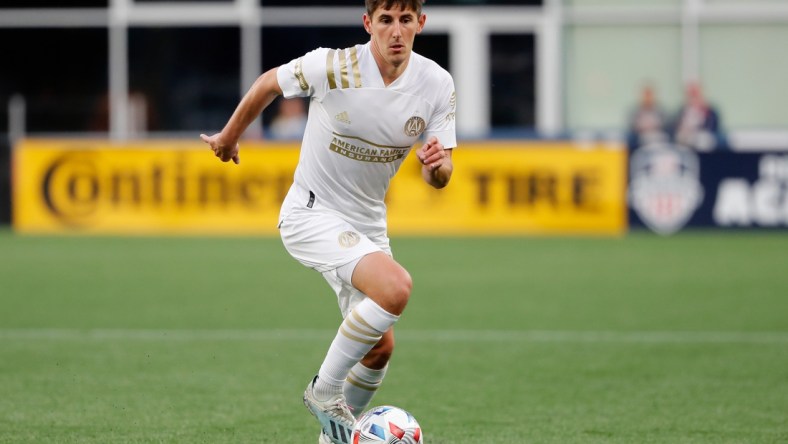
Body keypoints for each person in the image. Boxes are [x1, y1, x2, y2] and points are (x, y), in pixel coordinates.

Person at [200, 1, 456, 443]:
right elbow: (268, 84)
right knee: (395, 288)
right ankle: (324, 390)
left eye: (406, 20)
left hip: (368, 224)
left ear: (421, 23)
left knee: (379, 349)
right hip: (310, 212)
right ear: (368, 24)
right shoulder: (333, 66)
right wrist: (229, 137)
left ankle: (333, 440)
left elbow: (441, 174)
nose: (396, 31)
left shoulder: (436, 83)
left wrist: (436, 166)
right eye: (385, 20)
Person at [672, 80, 723, 151]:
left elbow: (712, 127)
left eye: (695, 93)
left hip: (703, 140)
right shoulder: (682, 111)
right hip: (686, 141)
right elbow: (676, 127)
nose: (693, 97)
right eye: (691, 94)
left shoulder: (709, 111)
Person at [626, 83, 669, 149]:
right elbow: (632, 126)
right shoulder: (635, 111)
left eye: (649, 95)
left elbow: (664, 124)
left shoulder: (660, 111)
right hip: (640, 136)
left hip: (656, 136)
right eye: (646, 95)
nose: (648, 98)